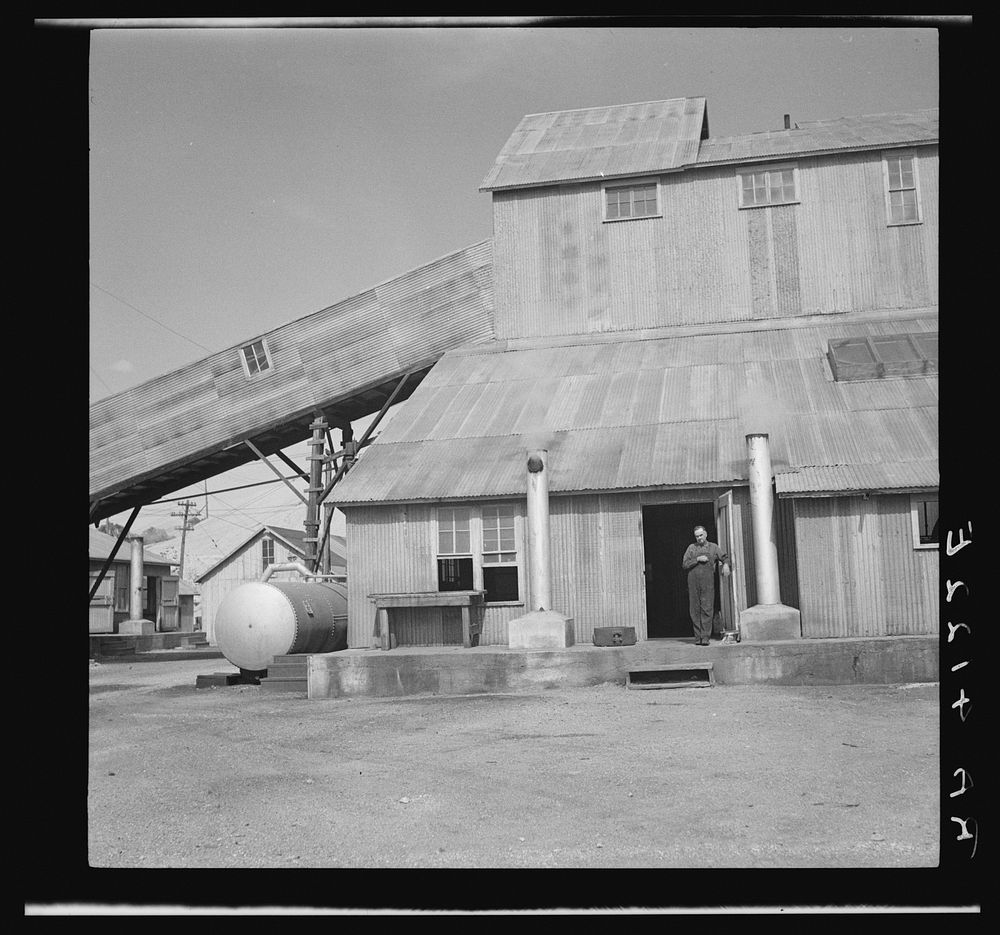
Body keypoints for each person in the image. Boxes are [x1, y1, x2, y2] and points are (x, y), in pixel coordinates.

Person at [681, 525, 730, 646]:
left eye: (701, 535)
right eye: (697, 536)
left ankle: (705, 637)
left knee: (707, 609)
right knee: (695, 610)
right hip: (693, 583)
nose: (699, 538)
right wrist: (697, 559)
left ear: (706, 534)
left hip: (707, 583)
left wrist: (725, 565)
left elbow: (725, 557)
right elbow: (685, 564)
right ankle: (698, 638)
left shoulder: (713, 547)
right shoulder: (691, 548)